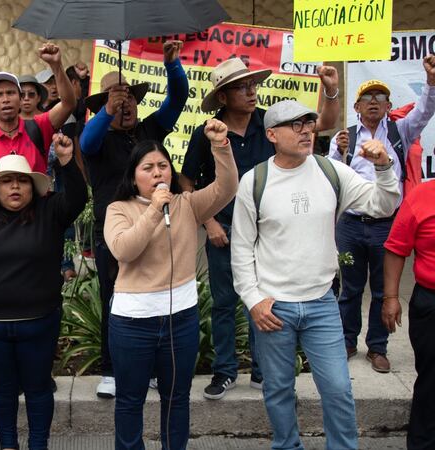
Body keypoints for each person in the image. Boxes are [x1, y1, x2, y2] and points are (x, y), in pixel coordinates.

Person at [230, 100, 401, 450]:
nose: (306, 130)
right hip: (273, 307)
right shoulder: (255, 181)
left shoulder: (330, 171)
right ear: (272, 135)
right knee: (278, 389)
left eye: (308, 123)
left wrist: (383, 166)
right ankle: (287, 445)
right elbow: (242, 248)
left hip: (322, 303)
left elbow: (383, 205)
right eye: (295, 125)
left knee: (338, 388)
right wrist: (254, 300)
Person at [180, 58, 341, 400]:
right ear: (222, 97)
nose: (251, 92)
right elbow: (187, 181)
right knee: (224, 303)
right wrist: (208, 221)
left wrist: (330, 91)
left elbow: (324, 123)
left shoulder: (270, 124)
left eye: (253, 85)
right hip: (223, 232)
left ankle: (261, 371)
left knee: (263, 301)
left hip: (266, 233)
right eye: (242, 87)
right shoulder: (207, 132)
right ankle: (224, 371)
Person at [0, 134, 87, 450]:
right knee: (2, 390)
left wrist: (67, 162)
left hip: (40, 322)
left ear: (32, 187)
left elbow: (78, 198)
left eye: (22, 181)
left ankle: (38, 444)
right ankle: (7, 444)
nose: (15, 187)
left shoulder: (50, 212)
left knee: (38, 388)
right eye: (7, 181)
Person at [104, 120, 237, 450]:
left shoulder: (187, 204)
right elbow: (124, 250)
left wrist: (220, 146)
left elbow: (226, 188)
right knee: (130, 400)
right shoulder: (118, 209)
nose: (157, 173)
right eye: (147, 168)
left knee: (176, 398)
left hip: (181, 321)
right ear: (133, 175)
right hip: (133, 323)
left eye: (163, 166)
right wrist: (153, 209)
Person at [79, 40, 188, 398]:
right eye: (115, 101)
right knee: (115, 299)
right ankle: (111, 370)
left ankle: (154, 368)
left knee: (158, 297)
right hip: (116, 233)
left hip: (157, 226)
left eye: (128, 100)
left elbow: (178, 100)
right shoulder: (98, 139)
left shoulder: (150, 131)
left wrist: (172, 64)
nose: (124, 106)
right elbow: (86, 143)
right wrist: (108, 110)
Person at [328, 54, 435, 373]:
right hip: (350, 224)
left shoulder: (401, 131)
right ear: (357, 106)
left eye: (380, 97)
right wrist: (338, 152)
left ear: (389, 106)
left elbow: (425, 110)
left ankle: (377, 347)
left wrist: (431, 83)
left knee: (381, 289)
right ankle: (347, 341)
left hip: (387, 225)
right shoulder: (344, 136)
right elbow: (330, 177)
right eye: (367, 97)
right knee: (350, 287)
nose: (373, 102)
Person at [0, 43, 76, 186]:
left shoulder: (39, 126)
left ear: (20, 99)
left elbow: (68, 104)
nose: (5, 99)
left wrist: (56, 65)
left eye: (11, 93)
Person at [382, 177, 435, 450]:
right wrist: (391, 297)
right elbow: (396, 248)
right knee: (431, 381)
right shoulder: (422, 196)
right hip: (431, 303)